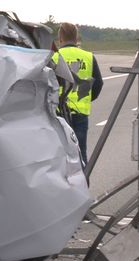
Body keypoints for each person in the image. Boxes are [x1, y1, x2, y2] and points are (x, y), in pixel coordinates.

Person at [52, 22, 103, 169]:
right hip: (81, 113)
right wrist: (86, 98)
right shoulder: (88, 57)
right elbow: (98, 84)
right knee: (81, 154)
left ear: (60, 38)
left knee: (60, 156)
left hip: (58, 114)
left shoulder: (54, 57)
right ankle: (83, 186)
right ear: (76, 38)